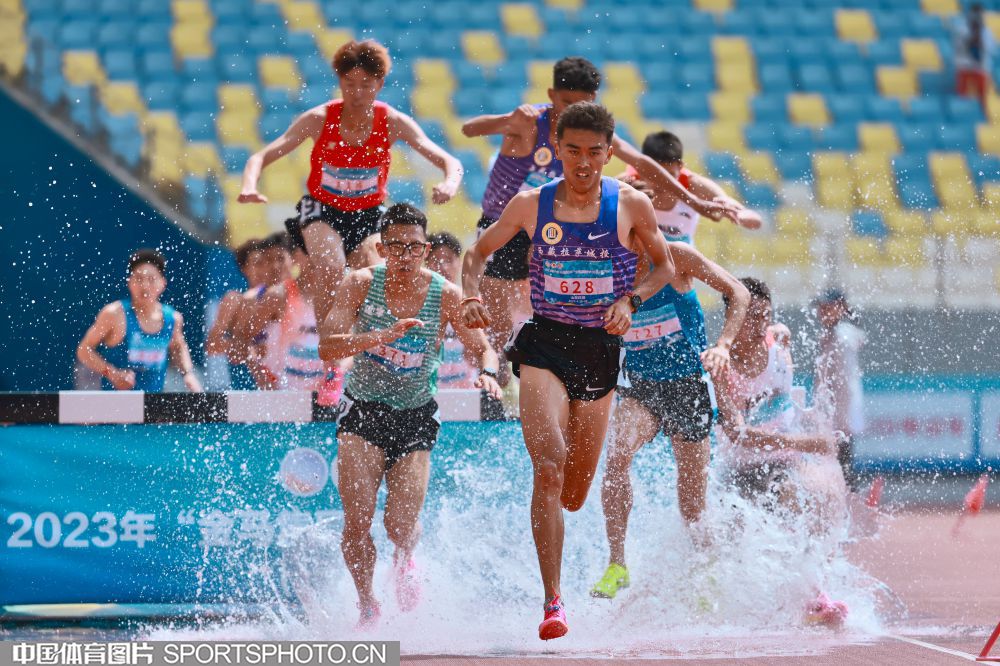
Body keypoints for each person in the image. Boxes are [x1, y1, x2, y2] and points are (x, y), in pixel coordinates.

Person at [462, 102, 676, 640]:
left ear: (609, 152)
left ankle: (562, 539)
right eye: (573, 150)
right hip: (546, 343)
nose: (583, 162)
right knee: (549, 467)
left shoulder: (631, 205)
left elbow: (666, 265)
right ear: (557, 148)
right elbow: (476, 255)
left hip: (602, 348)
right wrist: (469, 296)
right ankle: (552, 601)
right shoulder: (531, 204)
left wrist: (631, 298)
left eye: (594, 151)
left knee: (575, 493)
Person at [461, 58, 736, 386]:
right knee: (498, 322)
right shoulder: (528, 122)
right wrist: (507, 118)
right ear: (551, 95)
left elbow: (641, 163)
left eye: (582, 105)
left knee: (562, 308)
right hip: (506, 222)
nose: (572, 114)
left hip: (556, 221)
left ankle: (560, 377)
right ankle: (497, 379)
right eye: (565, 104)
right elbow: (468, 129)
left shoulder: (593, 134)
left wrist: (694, 201)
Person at [318, 204, 502, 629]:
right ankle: (367, 602)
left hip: (415, 415)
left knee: (400, 524)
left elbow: (483, 347)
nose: (405, 256)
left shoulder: (445, 294)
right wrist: (377, 337)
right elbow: (328, 346)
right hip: (362, 411)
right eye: (396, 248)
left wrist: (488, 373)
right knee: (358, 520)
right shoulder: (360, 284)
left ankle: (404, 559)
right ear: (382, 249)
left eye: (414, 248)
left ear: (426, 249)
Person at [238, 39, 464, 326]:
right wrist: (249, 186)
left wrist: (449, 184)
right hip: (322, 209)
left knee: (376, 273)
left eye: (366, 85)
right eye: (349, 83)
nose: (357, 93)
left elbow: (450, 162)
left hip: (368, 213)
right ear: (340, 81)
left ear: (379, 84)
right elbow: (261, 156)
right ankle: (330, 350)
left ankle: (365, 345)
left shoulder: (392, 122)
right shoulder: (319, 119)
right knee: (331, 267)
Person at [591, 243, 750, 600]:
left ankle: (705, 571)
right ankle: (617, 564)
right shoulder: (604, 266)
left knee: (692, 506)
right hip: (640, 387)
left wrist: (723, 345)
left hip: (688, 386)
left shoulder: (676, 256)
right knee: (616, 456)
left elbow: (738, 292)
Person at [711, 278, 849, 627]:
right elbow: (737, 433)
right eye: (750, 316)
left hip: (783, 463)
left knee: (817, 500)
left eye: (765, 316)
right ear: (732, 318)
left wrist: (802, 437)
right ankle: (717, 598)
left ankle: (816, 594)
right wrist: (804, 443)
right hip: (740, 468)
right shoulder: (721, 367)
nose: (759, 324)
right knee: (726, 544)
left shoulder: (780, 339)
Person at [77, 249, 202, 393]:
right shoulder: (114, 314)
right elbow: (83, 350)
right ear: (129, 282)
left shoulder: (173, 319)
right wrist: (111, 373)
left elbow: (178, 346)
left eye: (151, 279)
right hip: (115, 408)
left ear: (163, 283)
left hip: (153, 408)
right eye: (139, 279)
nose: (145, 286)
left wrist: (188, 374)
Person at [619, 131, 763, 243]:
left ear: (680, 167)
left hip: (680, 264)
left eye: (668, 175)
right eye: (653, 175)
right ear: (641, 167)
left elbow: (753, 220)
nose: (661, 183)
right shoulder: (627, 184)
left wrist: (742, 216)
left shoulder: (695, 185)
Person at [235, 233, 331, 392]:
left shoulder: (333, 294)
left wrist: (336, 374)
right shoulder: (276, 295)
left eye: (320, 253)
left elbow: (347, 349)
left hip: (320, 396)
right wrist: (262, 376)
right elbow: (240, 340)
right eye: (310, 252)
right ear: (298, 257)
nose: (274, 267)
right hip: (282, 394)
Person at [813, 288, 865, 491]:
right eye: (821, 307)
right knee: (838, 460)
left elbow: (841, 380)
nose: (822, 312)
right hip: (834, 408)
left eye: (827, 307)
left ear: (840, 308)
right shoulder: (831, 334)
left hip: (840, 408)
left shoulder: (843, 335)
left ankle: (849, 499)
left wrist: (832, 413)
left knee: (841, 458)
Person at [426, 232, 480, 389]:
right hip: (428, 389)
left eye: (448, 260)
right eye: (435, 260)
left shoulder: (473, 301)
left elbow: (484, 351)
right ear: (425, 263)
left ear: (459, 262)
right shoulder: (416, 302)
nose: (442, 267)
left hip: (467, 390)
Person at [953, 2, 995, 109]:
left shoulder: (986, 31)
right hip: (964, 65)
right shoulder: (962, 29)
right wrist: (970, 40)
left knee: (982, 96)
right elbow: (959, 47)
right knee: (962, 96)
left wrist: (980, 41)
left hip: (980, 67)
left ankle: (982, 112)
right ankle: (962, 111)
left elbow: (991, 49)